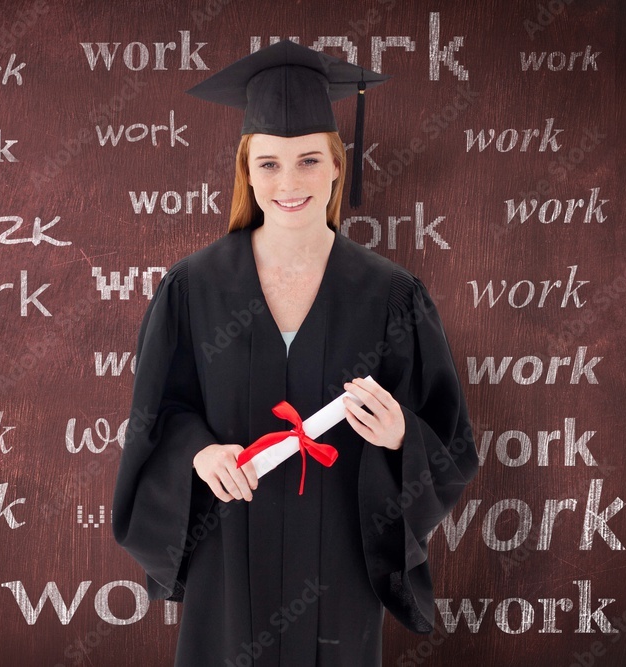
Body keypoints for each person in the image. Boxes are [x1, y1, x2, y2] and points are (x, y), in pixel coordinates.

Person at [112, 40, 479, 667]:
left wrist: (399, 438)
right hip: (225, 556)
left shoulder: (390, 295)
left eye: (308, 161)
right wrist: (199, 453)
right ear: (247, 172)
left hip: (338, 563)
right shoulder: (193, 289)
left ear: (337, 166)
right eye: (269, 164)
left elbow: (449, 444)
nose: (288, 183)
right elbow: (158, 419)